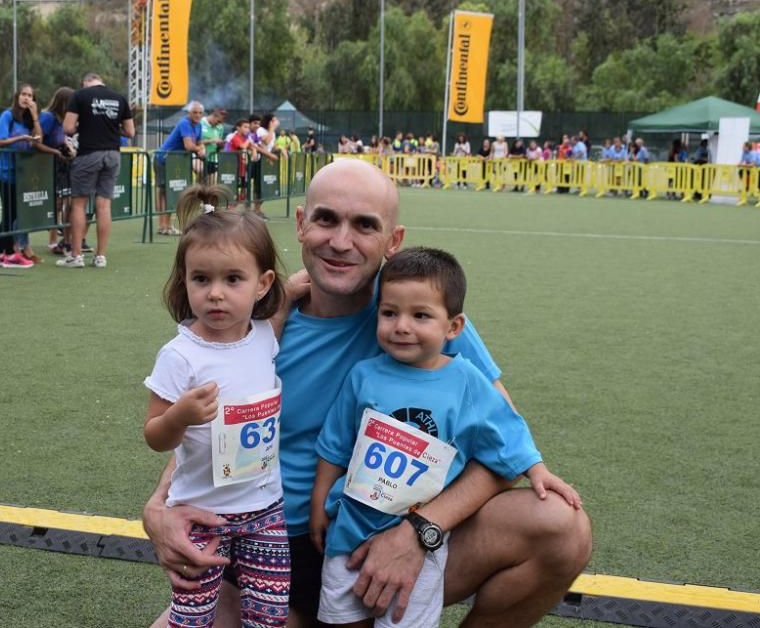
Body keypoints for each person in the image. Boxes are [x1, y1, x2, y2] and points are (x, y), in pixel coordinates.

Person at [144, 158, 593, 628]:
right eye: (326, 219)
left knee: (562, 527)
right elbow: (213, 426)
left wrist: (421, 530)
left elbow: (502, 440)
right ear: (301, 224)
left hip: (393, 532)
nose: (341, 242)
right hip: (273, 545)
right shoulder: (258, 324)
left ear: (392, 241)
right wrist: (157, 507)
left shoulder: (419, 316)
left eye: (364, 225)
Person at [310, 247, 580, 627]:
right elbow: (335, 444)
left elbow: (506, 429)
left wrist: (537, 468)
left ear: (453, 327)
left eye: (420, 315)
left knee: (404, 617)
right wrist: (319, 502)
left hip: (422, 541)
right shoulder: (364, 375)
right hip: (349, 528)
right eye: (390, 313)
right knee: (341, 618)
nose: (402, 326)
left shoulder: (466, 381)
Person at [143, 186, 289, 627]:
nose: (216, 294)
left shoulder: (263, 335)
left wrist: (297, 286)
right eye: (201, 279)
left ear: (262, 284)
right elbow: (153, 434)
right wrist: (179, 416)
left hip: (266, 512)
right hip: (201, 516)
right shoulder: (180, 355)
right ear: (184, 280)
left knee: (269, 617)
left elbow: (284, 304)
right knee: (191, 617)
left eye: (233, 279)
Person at [60, 73, 134, 268]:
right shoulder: (119, 98)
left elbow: (67, 128)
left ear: (85, 83)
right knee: (104, 206)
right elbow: (130, 132)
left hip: (88, 154)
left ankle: (76, 256)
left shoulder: (80, 96)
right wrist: (109, 127)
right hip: (112, 154)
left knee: (78, 205)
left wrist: (84, 126)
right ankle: (100, 256)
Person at [0, 84, 43, 268]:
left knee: (15, 214)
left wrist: (36, 116)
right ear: (17, 96)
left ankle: (2, 253)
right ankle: (5, 253)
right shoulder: (7, 116)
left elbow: (39, 140)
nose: (26, 98)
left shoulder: (29, 120)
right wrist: (20, 139)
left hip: (21, 174)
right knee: (9, 213)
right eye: (23, 94)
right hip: (4, 172)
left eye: (30, 95)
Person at [155, 101, 207, 236]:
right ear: (189, 113)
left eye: (200, 113)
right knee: (163, 191)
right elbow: (189, 145)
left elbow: (199, 143)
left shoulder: (199, 125)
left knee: (172, 190)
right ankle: (162, 225)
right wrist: (199, 150)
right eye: (194, 112)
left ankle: (167, 225)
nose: (197, 115)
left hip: (175, 161)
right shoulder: (184, 123)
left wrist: (202, 149)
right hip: (163, 159)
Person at [36, 87, 75, 260]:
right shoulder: (48, 117)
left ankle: (63, 240)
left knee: (65, 202)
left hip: (61, 164)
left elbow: (63, 139)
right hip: (48, 163)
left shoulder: (62, 121)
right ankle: (52, 240)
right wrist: (55, 152)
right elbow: (37, 141)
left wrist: (68, 149)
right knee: (56, 204)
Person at [200, 108, 227, 184]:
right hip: (200, 158)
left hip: (213, 159)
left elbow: (218, 143)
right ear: (214, 116)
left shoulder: (220, 127)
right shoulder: (200, 123)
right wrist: (212, 140)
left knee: (212, 185)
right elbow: (196, 141)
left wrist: (221, 145)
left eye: (221, 122)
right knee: (201, 183)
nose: (219, 124)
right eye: (218, 121)